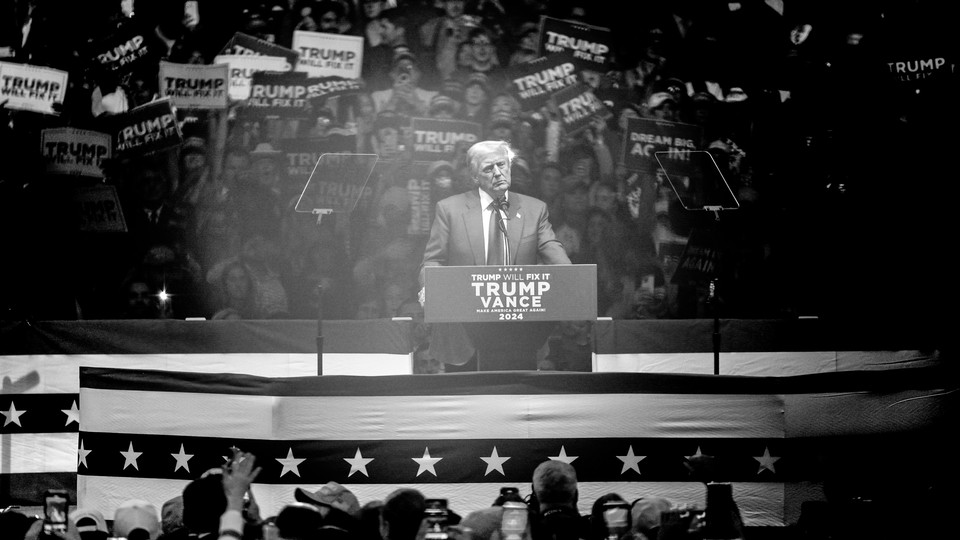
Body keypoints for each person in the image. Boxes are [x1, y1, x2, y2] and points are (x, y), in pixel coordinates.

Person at [419, 140, 570, 370]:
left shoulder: (534, 209)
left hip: (523, 336)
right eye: (489, 168)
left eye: (502, 164)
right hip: (464, 335)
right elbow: (433, 260)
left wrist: (574, 281)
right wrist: (430, 288)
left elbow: (554, 253)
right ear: (474, 177)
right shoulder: (450, 210)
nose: (498, 172)